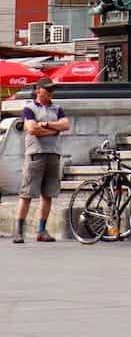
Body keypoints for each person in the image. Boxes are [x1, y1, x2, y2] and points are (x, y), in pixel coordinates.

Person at [14, 78, 70, 243]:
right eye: (48, 89)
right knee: (27, 194)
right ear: (39, 90)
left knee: (48, 194)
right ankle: (19, 231)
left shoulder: (57, 108)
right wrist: (53, 130)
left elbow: (66, 125)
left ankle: (42, 230)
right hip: (35, 154)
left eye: (52, 89)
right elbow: (32, 129)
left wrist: (44, 125)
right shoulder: (29, 108)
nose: (51, 92)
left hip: (53, 153)